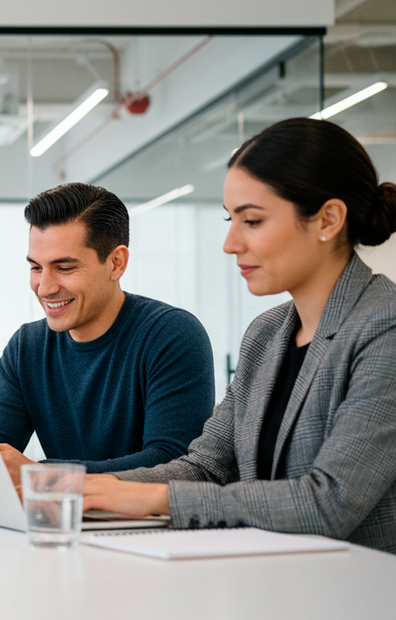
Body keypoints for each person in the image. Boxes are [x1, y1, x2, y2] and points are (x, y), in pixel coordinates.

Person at [85, 118, 396, 553]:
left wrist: (158, 499)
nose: (230, 243)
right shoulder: (267, 333)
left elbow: (331, 502)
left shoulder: (385, 327)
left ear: (328, 219)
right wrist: (79, 488)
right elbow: (207, 467)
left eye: (251, 221)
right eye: (231, 219)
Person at [0, 182, 215, 485]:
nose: (44, 288)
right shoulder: (27, 347)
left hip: (146, 528)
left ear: (116, 263)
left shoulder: (172, 334)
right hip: (63, 519)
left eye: (64, 268)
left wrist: (43, 475)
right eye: (36, 268)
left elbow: (174, 462)